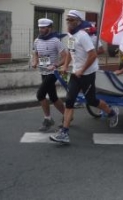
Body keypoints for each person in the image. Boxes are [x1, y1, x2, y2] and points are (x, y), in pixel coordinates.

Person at [49, 10, 119, 144]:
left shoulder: (83, 36)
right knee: (69, 101)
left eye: (71, 19)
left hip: (87, 75)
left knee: (92, 100)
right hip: (76, 74)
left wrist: (82, 69)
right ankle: (64, 133)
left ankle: (111, 113)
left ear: (78, 22)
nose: (68, 22)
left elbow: (93, 55)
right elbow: (70, 52)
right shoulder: (70, 36)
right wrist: (65, 66)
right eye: (67, 19)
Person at [31, 18, 67, 131]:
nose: (41, 29)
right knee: (53, 97)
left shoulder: (56, 41)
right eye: (40, 27)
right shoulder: (37, 40)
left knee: (40, 94)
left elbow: (65, 57)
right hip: (43, 72)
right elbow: (36, 53)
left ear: (49, 28)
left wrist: (55, 65)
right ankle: (67, 116)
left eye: (43, 27)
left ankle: (48, 119)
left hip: (53, 72)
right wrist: (35, 61)